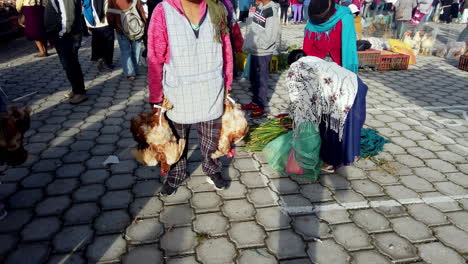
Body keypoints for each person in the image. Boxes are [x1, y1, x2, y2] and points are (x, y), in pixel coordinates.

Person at [147, 0, 234, 195]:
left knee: (211, 138)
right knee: (177, 139)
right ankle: (176, 174)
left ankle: (212, 168)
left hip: (212, 88)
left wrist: (228, 83)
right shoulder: (163, 11)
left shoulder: (217, 7)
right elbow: (154, 56)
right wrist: (155, 96)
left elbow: (226, 48)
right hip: (178, 92)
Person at [287, 50, 368, 173]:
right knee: (349, 124)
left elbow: (298, 98)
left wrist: (298, 121)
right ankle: (347, 156)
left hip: (343, 93)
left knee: (332, 127)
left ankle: (330, 162)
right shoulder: (314, 60)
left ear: (291, 63)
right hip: (356, 84)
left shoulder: (296, 68)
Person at [242, 0, 280, 118]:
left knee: (261, 80)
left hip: (263, 51)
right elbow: (254, 28)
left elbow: (270, 36)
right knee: (253, 78)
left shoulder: (271, 11)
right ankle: (255, 101)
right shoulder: (261, 8)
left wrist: (258, 45)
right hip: (255, 49)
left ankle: (261, 106)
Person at [44, 0, 88, 104]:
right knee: (68, 65)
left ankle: (80, 92)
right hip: (65, 36)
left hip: (67, 36)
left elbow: (68, 18)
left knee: (71, 65)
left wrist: (60, 34)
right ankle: (76, 89)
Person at [303, 0, 358, 72]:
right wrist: (305, 64)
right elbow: (307, 46)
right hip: (316, 62)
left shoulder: (344, 17)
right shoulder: (314, 18)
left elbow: (349, 44)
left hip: (339, 61)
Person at [107, 0, 147, 81]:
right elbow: (141, 11)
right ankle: (136, 69)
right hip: (136, 28)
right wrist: (144, 25)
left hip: (120, 28)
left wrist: (113, 25)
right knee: (136, 50)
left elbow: (110, 15)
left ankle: (130, 73)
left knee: (125, 51)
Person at [83, 0, 115, 71]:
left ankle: (99, 58)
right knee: (108, 42)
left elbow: (85, 6)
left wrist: (87, 23)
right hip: (105, 21)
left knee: (97, 41)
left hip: (93, 22)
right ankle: (108, 62)